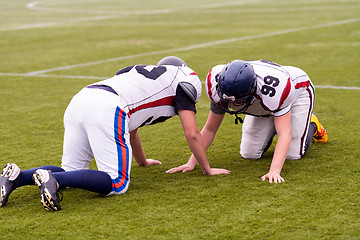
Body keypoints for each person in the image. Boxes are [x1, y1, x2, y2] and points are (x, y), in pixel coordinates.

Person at [0, 56, 231, 211]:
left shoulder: (138, 74)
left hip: (81, 99)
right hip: (108, 106)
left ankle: (16, 178)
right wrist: (206, 169)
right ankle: (53, 180)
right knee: (117, 182)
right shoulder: (184, 79)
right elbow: (192, 133)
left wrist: (142, 161)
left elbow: (131, 129)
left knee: (71, 171)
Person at [166, 59, 327, 183]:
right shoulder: (217, 85)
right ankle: (273, 119)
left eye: (238, 102)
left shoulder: (276, 90)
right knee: (249, 153)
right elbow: (210, 129)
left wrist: (274, 171)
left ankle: (313, 124)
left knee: (293, 154)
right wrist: (191, 163)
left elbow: (285, 133)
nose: (233, 106)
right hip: (263, 103)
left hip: (297, 91)